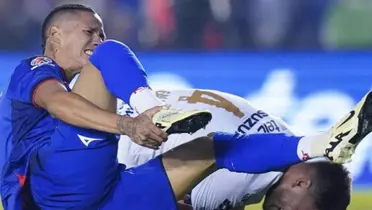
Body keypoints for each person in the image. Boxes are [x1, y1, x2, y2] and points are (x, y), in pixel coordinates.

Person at [25, 35, 372, 210]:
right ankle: (319, 141)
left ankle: (316, 142)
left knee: (107, 52)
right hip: (100, 165)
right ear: (301, 184)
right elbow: (180, 188)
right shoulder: (242, 182)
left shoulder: (273, 129)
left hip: (86, 123)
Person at [0, 4, 211, 210]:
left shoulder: (67, 87)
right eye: (89, 32)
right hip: (49, 193)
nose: (98, 41)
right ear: (55, 35)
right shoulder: (33, 68)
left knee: (215, 149)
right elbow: (58, 103)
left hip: (90, 194)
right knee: (109, 51)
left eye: (101, 35)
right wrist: (127, 125)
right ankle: (155, 110)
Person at [117, 89, 354, 210]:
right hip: (112, 151)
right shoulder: (244, 178)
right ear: (301, 183)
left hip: (120, 113)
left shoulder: (280, 137)